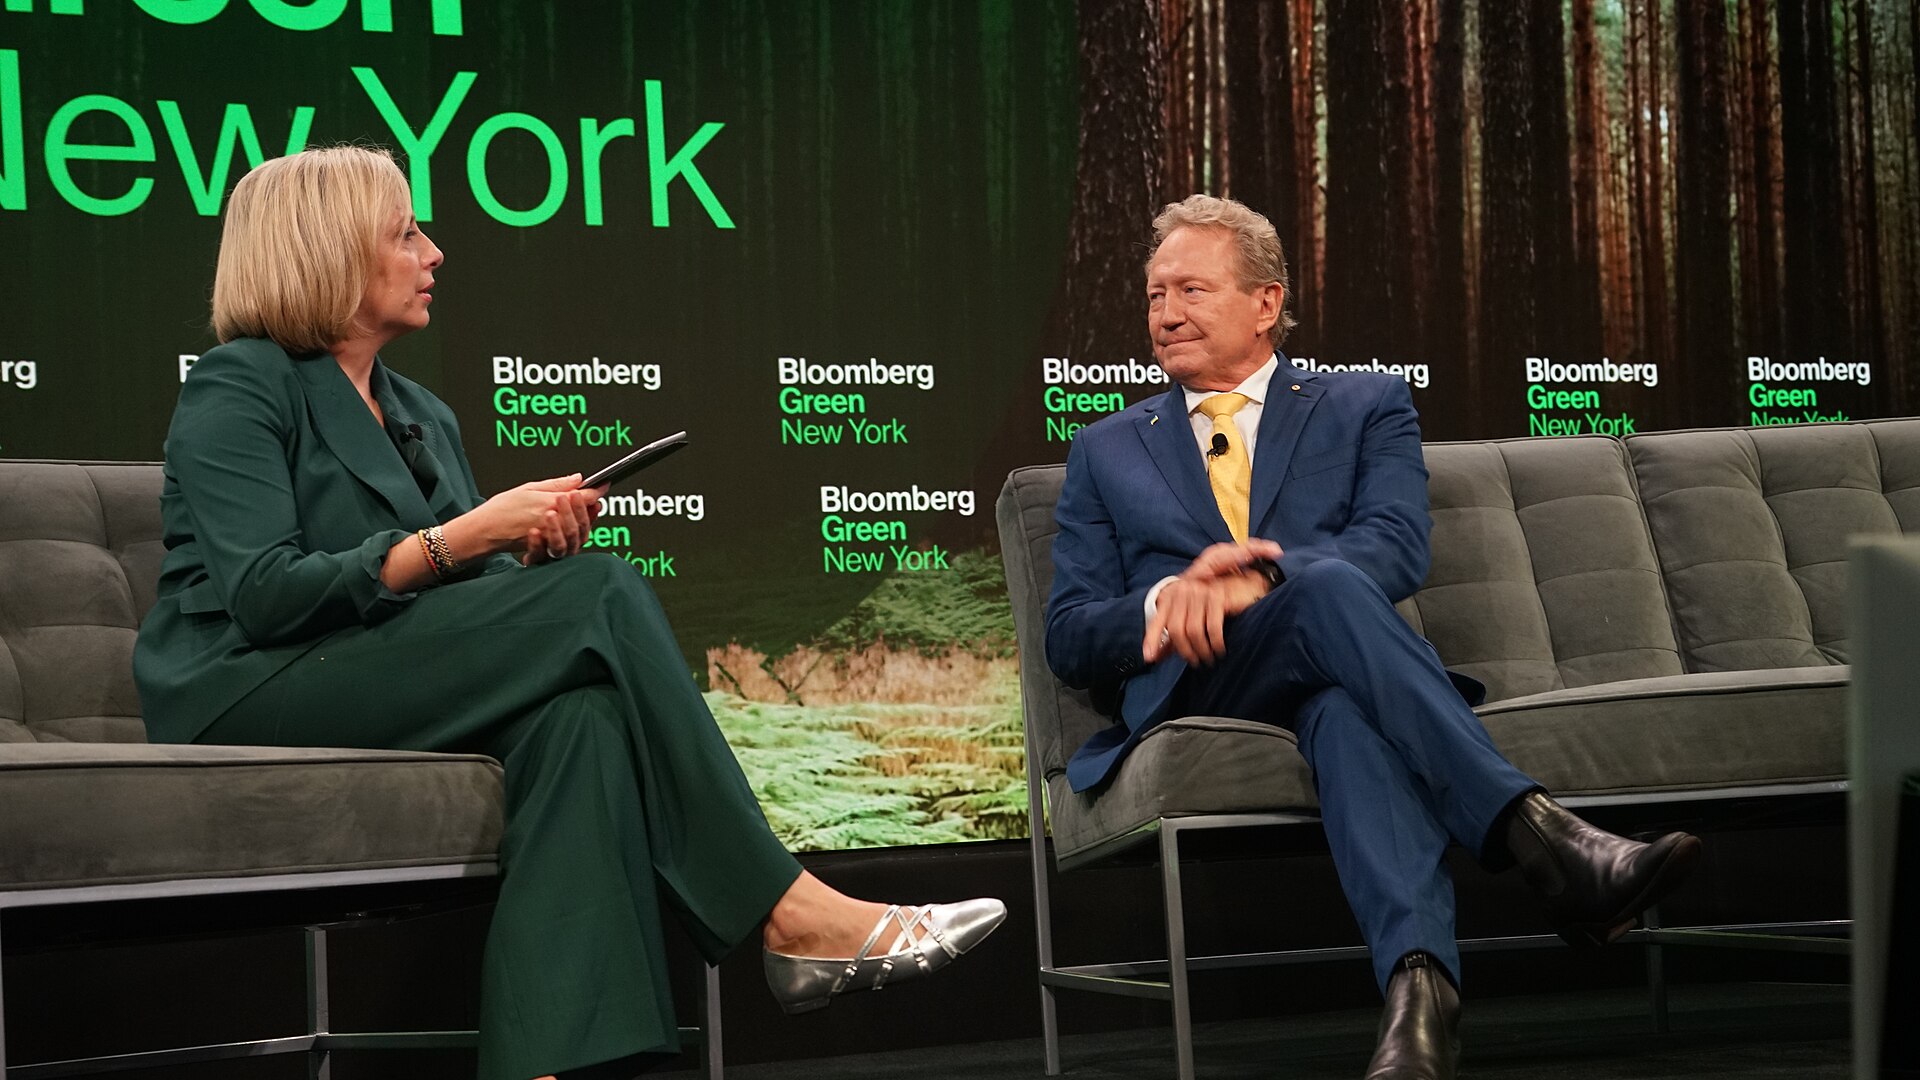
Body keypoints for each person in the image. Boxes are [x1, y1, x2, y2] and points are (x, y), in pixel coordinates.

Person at [132, 145, 1004, 1080]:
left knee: (578, 718)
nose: (435, 253)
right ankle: (788, 910)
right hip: (247, 690)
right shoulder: (240, 382)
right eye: (407, 233)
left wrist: (520, 555)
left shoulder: (417, 408)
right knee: (601, 594)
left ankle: (544, 1069)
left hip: (367, 671)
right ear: (330, 252)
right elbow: (265, 595)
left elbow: (453, 605)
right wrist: (466, 538)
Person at [1043, 194, 1699, 1080]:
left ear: (1266, 303)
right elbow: (1072, 636)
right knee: (1330, 591)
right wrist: (1168, 598)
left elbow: (1395, 546)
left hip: (1330, 660)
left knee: (1344, 707)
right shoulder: (1106, 448)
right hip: (1200, 682)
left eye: (1191, 289)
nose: (1165, 313)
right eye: (1155, 294)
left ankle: (1419, 1000)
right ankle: (1541, 839)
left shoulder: (1366, 404)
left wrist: (1263, 575)